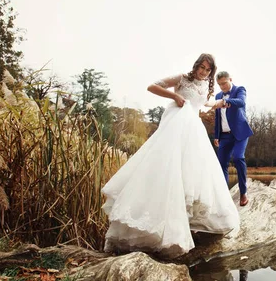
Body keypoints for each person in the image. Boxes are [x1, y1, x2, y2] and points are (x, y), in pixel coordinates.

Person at [102, 54, 240, 258]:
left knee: (192, 175)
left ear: (211, 71)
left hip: (194, 131)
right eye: (201, 67)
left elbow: (204, 103)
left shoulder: (205, 86)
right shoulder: (183, 78)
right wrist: (174, 96)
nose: (203, 72)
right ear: (196, 66)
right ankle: (157, 232)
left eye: (207, 70)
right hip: (175, 127)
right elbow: (152, 86)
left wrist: (218, 105)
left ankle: (188, 224)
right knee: (168, 170)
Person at [214, 71, 253, 206]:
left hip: (240, 133)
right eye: (219, 85)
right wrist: (216, 135)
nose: (222, 87)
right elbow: (217, 117)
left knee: (238, 157)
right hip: (224, 135)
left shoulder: (239, 90)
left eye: (224, 83)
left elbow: (241, 102)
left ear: (230, 79)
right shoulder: (218, 96)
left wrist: (225, 101)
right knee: (221, 164)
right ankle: (225, 195)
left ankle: (243, 192)